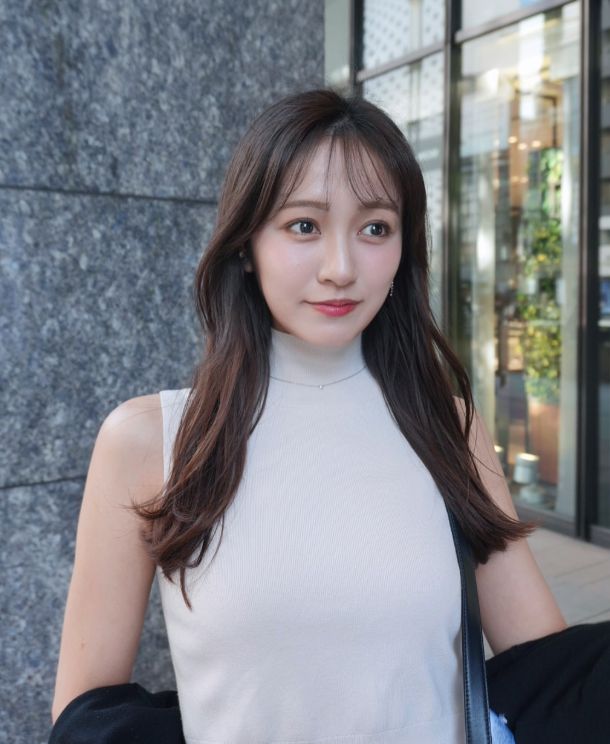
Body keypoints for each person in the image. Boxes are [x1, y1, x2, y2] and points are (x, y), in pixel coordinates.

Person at [51, 88, 568, 743]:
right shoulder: (151, 440)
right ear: (246, 244)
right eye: (304, 226)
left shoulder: (449, 426)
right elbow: (86, 713)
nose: (340, 268)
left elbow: (551, 678)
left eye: (375, 228)